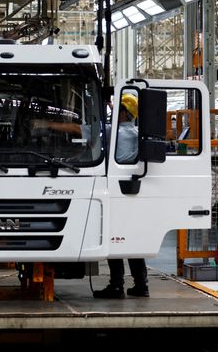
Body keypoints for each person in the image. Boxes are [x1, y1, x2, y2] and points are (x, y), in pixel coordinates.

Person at [94, 92, 149, 299]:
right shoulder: (136, 133)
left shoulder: (113, 132)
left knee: (114, 239)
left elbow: (85, 131)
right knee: (132, 240)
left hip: (114, 192)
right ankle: (141, 285)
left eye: (118, 110)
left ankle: (116, 285)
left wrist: (51, 125)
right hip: (132, 191)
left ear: (124, 113)